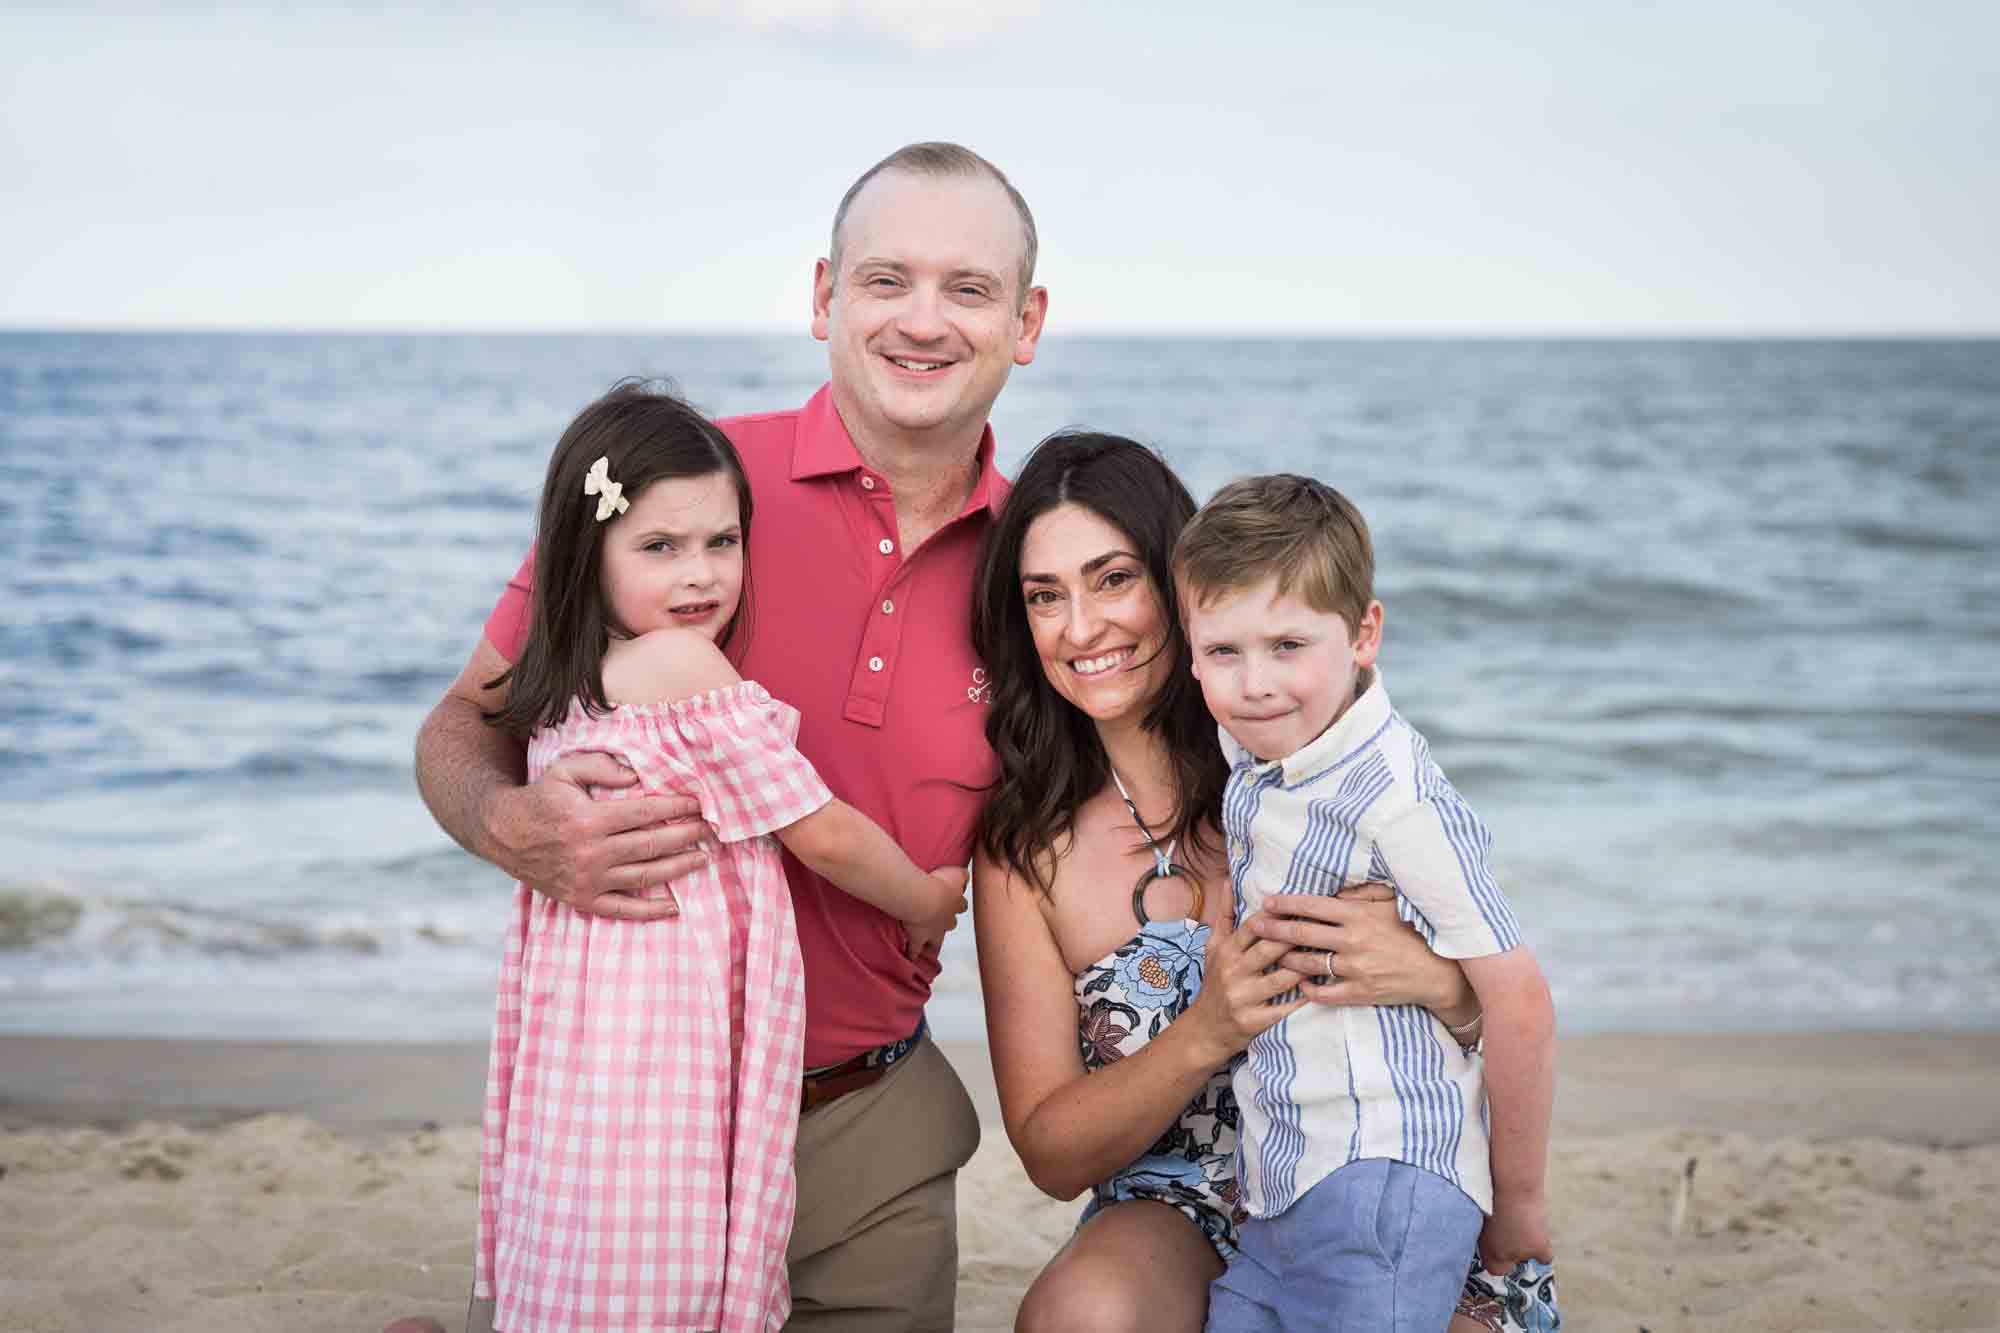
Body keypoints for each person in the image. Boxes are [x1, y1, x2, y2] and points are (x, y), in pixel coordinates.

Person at [409, 141, 1047, 1331]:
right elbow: (462, 722)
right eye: (884, 279)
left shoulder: (1047, 571)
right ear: (821, 297)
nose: (922, 320)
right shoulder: (683, 493)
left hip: (867, 1130)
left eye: (967, 288)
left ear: (1026, 321)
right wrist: (511, 823)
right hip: (636, 1121)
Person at [969, 432, 1502, 1333]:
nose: (1083, 626)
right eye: (1045, 597)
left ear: (1184, 586)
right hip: (1178, 1205)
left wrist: (1434, 980)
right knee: (1077, 1315)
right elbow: (1052, 1154)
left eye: (1113, 579)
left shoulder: (1309, 757)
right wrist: (1204, 1030)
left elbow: (1501, 998)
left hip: (1367, 1165)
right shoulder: (1026, 848)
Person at [470, 383, 967, 1332]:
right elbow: (815, 826)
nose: (700, 576)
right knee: (672, 1260)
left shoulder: (563, 683)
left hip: (586, 1041)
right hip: (667, 1037)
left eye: (723, 543)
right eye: (658, 548)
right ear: (589, 553)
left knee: (589, 1240)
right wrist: (922, 898)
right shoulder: (683, 669)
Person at [1173, 474, 1559, 1333]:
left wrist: (1521, 1199)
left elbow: (1519, 996)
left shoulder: (1396, 798)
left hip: (1385, 1177)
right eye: (1223, 650)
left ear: (1363, 635)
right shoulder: (1263, 763)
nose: (1255, 682)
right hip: (1281, 1186)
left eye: (1288, 645)